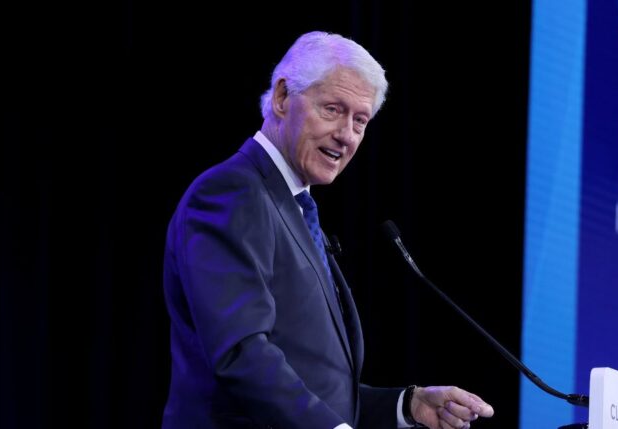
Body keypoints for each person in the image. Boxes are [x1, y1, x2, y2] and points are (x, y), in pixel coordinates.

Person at [161, 31, 494, 429]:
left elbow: (321, 386)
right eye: (333, 109)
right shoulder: (232, 192)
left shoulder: (293, 205)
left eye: (360, 120)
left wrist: (406, 406)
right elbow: (241, 354)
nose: (347, 135)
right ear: (283, 97)